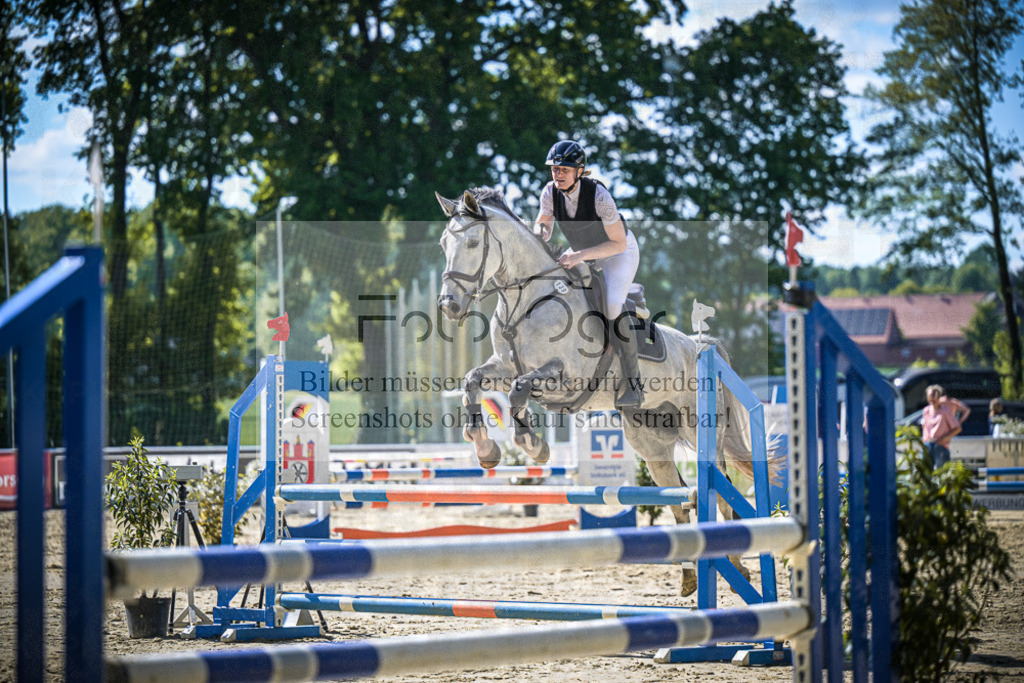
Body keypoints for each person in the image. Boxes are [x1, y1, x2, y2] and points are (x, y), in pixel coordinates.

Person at [533, 140, 644, 408]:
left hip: (619, 253)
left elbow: (617, 243)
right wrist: (541, 233)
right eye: (555, 169)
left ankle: (634, 384)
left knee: (613, 307)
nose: (558, 174)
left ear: (579, 171)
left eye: (564, 170)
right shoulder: (550, 192)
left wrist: (579, 256)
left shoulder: (599, 196)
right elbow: (542, 222)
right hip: (584, 252)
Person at [921, 384, 962, 469]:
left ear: (939, 397)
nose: (931, 399)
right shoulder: (926, 411)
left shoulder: (945, 411)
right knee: (926, 472)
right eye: (929, 396)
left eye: (934, 395)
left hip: (940, 445)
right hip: (928, 444)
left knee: (941, 472)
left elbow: (957, 428)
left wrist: (944, 438)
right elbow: (925, 427)